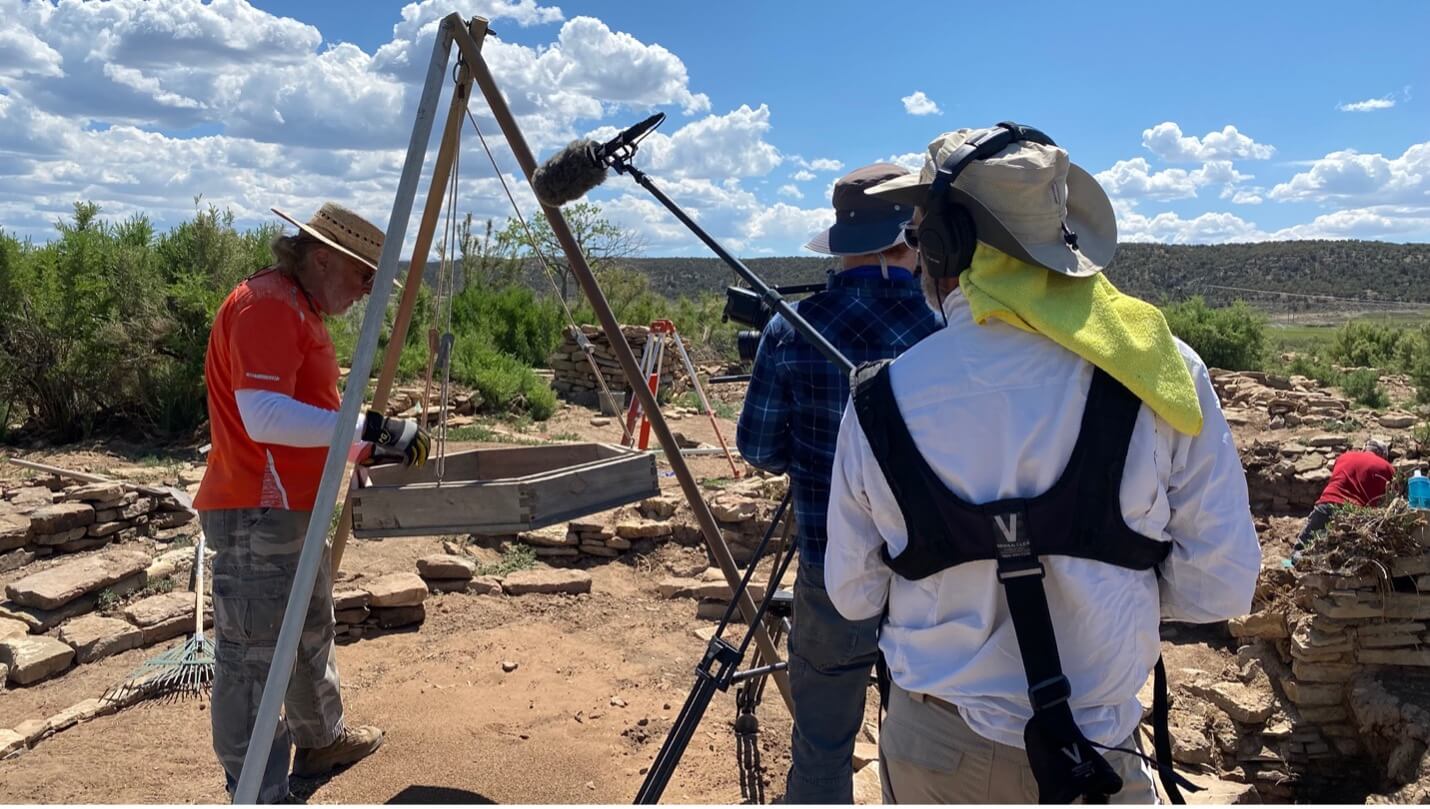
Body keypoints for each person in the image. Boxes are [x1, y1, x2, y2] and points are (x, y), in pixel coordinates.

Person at [823, 126, 1261, 803]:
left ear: (945, 245)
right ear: (1062, 244)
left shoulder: (880, 398)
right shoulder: (1160, 372)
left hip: (939, 749)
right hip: (1098, 752)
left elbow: (853, 593)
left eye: (919, 233)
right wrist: (1108, 583)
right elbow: (1223, 585)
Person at [195, 202, 431, 803]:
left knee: (305, 629)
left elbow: (307, 414)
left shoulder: (298, 307)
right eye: (363, 277)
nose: (367, 291)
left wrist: (357, 451)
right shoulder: (267, 306)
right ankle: (256, 789)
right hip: (256, 508)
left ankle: (320, 739)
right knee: (254, 656)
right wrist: (364, 432)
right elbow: (264, 416)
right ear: (323, 260)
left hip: (287, 504)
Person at [736, 163, 942, 803]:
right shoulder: (946, 334)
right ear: (908, 240)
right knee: (933, 744)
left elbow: (759, 448)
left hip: (832, 564)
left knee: (823, 742)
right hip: (934, 572)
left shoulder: (792, 329)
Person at [1296, 437, 1394, 552]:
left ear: (1365, 449)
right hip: (1355, 515)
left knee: (1302, 548)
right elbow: (1386, 500)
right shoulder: (1387, 467)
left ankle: (1288, 565)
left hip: (1327, 505)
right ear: (1383, 455)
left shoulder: (1344, 457)